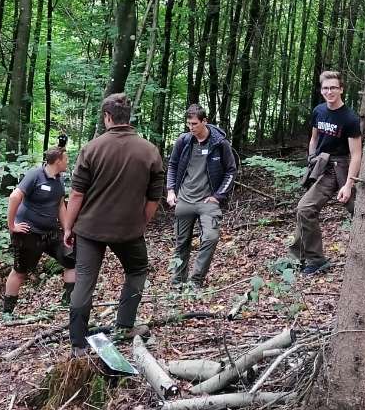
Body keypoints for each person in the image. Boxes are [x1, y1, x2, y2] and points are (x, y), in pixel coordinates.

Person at [64, 93, 165, 357]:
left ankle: (77, 343)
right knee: (137, 270)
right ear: (127, 117)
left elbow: (76, 195)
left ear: (107, 117)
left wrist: (68, 227)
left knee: (85, 278)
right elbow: (154, 197)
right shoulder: (149, 150)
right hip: (129, 229)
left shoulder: (92, 149)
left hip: (90, 228)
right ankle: (124, 326)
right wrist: (141, 222)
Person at [290, 70, 363, 275]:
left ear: (341, 89)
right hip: (321, 164)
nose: (329, 91)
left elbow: (356, 154)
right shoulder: (319, 111)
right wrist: (311, 159)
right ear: (321, 90)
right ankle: (305, 257)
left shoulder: (349, 118)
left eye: (333, 88)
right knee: (304, 209)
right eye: (325, 88)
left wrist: (348, 184)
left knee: (357, 209)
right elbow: (314, 138)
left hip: (340, 166)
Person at [165, 104, 237, 287]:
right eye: (188, 123)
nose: (191, 127)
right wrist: (171, 190)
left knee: (211, 237)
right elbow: (172, 166)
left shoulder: (219, 143)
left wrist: (218, 195)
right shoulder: (184, 141)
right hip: (185, 199)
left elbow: (231, 170)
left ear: (205, 121)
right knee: (181, 243)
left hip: (208, 201)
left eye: (195, 123)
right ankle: (178, 282)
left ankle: (195, 280)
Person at [2, 145, 74, 316]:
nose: (68, 162)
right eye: (66, 159)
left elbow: (60, 206)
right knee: (20, 271)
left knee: (72, 259)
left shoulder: (59, 180)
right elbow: (14, 196)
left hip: (51, 233)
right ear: (57, 161)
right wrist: (12, 225)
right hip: (29, 233)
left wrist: (67, 230)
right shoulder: (35, 175)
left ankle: (67, 302)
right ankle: (7, 313)